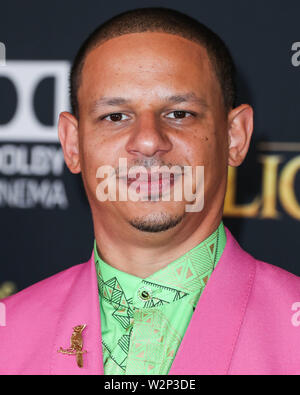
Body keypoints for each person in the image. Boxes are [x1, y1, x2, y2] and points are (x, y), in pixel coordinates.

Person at [1, 7, 300, 375]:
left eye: (179, 113)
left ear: (235, 135)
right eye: (115, 116)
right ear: (72, 144)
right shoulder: (7, 333)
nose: (147, 141)